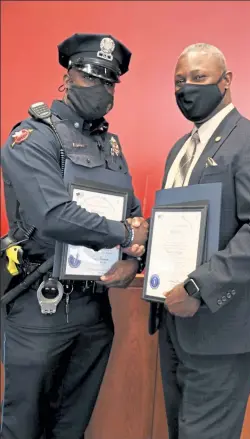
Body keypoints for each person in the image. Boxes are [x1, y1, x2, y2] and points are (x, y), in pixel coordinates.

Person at [0, 33, 148, 439]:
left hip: (94, 308)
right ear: (68, 76)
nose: (101, 88)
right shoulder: (33, 138)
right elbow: (53, 215)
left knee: (72, 427)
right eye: (92, 76)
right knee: (23, 426)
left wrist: (132, 260)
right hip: (40, 305)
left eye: (110, 81)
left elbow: (131, 212)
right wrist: (123, 234)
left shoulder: (110, 147)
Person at [146, 43, 250, 439]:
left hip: (222, 325)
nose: (186, 88)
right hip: (173, 320)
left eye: (198, 78)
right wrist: (142, 247)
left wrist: (198, 286)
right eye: (179, 80)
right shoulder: (180, 149)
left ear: (226, 82)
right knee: (180, 430)